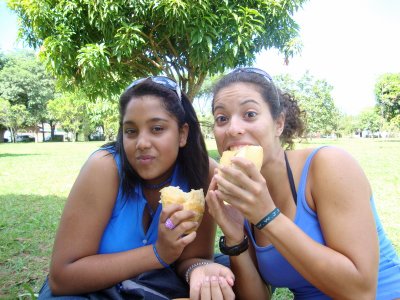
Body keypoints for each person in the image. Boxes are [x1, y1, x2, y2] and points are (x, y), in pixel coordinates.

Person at [206, 67, 400, 299]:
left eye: (249, 114)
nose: (233, 129)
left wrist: (267, 216)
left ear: (279, 123)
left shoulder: (329, 165)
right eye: (222, 118)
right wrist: (235, 238)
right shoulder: (247, 196)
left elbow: (361, 291)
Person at [38, 76, 235, 299]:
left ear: (182, 134)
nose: (141, 143)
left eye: (157, 128)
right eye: (131, 131)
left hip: (152, 288)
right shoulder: (104, 168)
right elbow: (61, 278)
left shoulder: (202, 172)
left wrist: (198, 268)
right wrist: (157, 253)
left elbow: (193, 257)